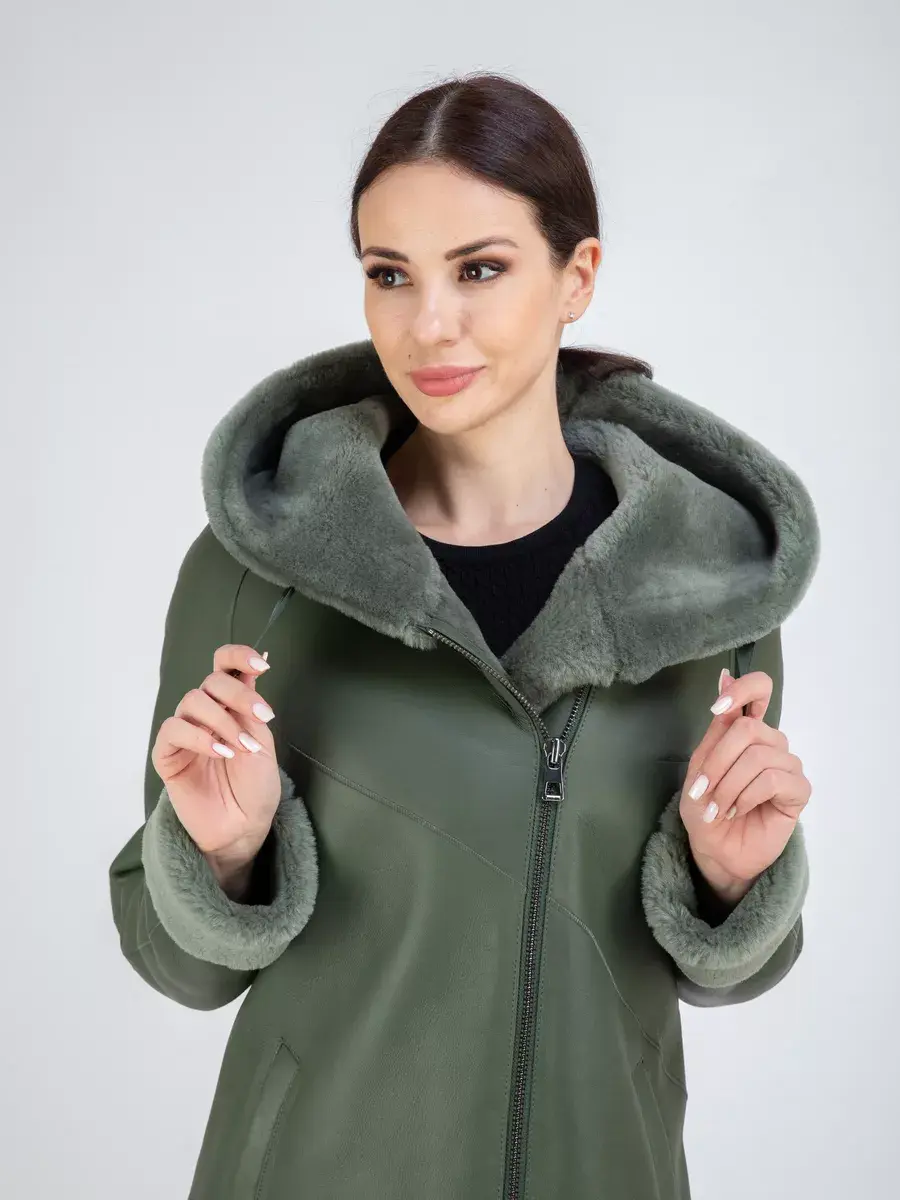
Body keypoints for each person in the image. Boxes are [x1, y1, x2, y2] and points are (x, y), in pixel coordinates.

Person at [108, 71, 819, 1200]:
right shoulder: (261, 570)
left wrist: (732, 884)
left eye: (479, 269)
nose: (428, 323)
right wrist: (223, 856)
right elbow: (176, 964)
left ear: (577, 276)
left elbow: (730, 976)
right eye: (389, 274)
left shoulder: (702, 590)